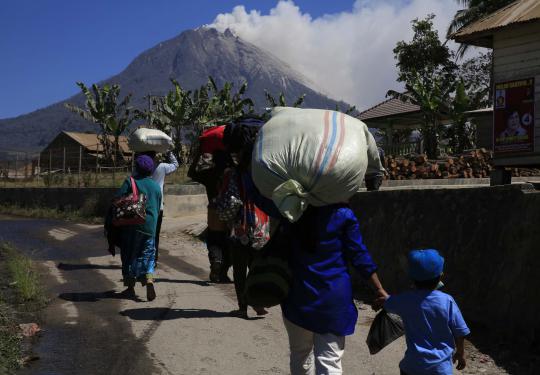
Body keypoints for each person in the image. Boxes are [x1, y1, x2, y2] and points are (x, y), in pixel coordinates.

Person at [281, 204, 388, 375]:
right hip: (333, 298)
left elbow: (259, 195)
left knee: (300, 357)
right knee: (329, 361)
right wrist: (379, 288)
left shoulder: (291, 211)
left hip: (298, 296)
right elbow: (359, 255)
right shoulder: (342, 215)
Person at [378, 249, 470, 375]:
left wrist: (378, 301)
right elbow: (460, 331)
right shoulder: (447, 301)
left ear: (411, 277)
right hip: (440, 369)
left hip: (412, 367)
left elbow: (387, 301)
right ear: (440, 275)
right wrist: (460, 353)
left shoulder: (405, 300)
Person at [221, 117, 273, 319]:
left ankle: (243, 307)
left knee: (240, 268)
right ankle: (259, 304)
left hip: (241, 226)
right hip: (261, 223)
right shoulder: (263, 171)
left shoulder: (234, 174)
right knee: (256, 265)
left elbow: (232, 201)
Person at [115, 155, 162, 301]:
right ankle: (148, 278)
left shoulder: (130, 182)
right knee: (147, 254)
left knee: (129, 254)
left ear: (136, 168)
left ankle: (130, 288)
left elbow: (117, 199)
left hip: (132, 225)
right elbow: (158, 206)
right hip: (150, 227)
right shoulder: (156, 186)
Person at [149, 150, 179, 263]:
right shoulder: (161, 167)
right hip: (158, 206)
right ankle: (153, 259)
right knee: (155, 234)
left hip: (142, 206)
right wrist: (169, 152)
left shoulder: (140, 167)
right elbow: (175, 164)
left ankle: (142, 258)